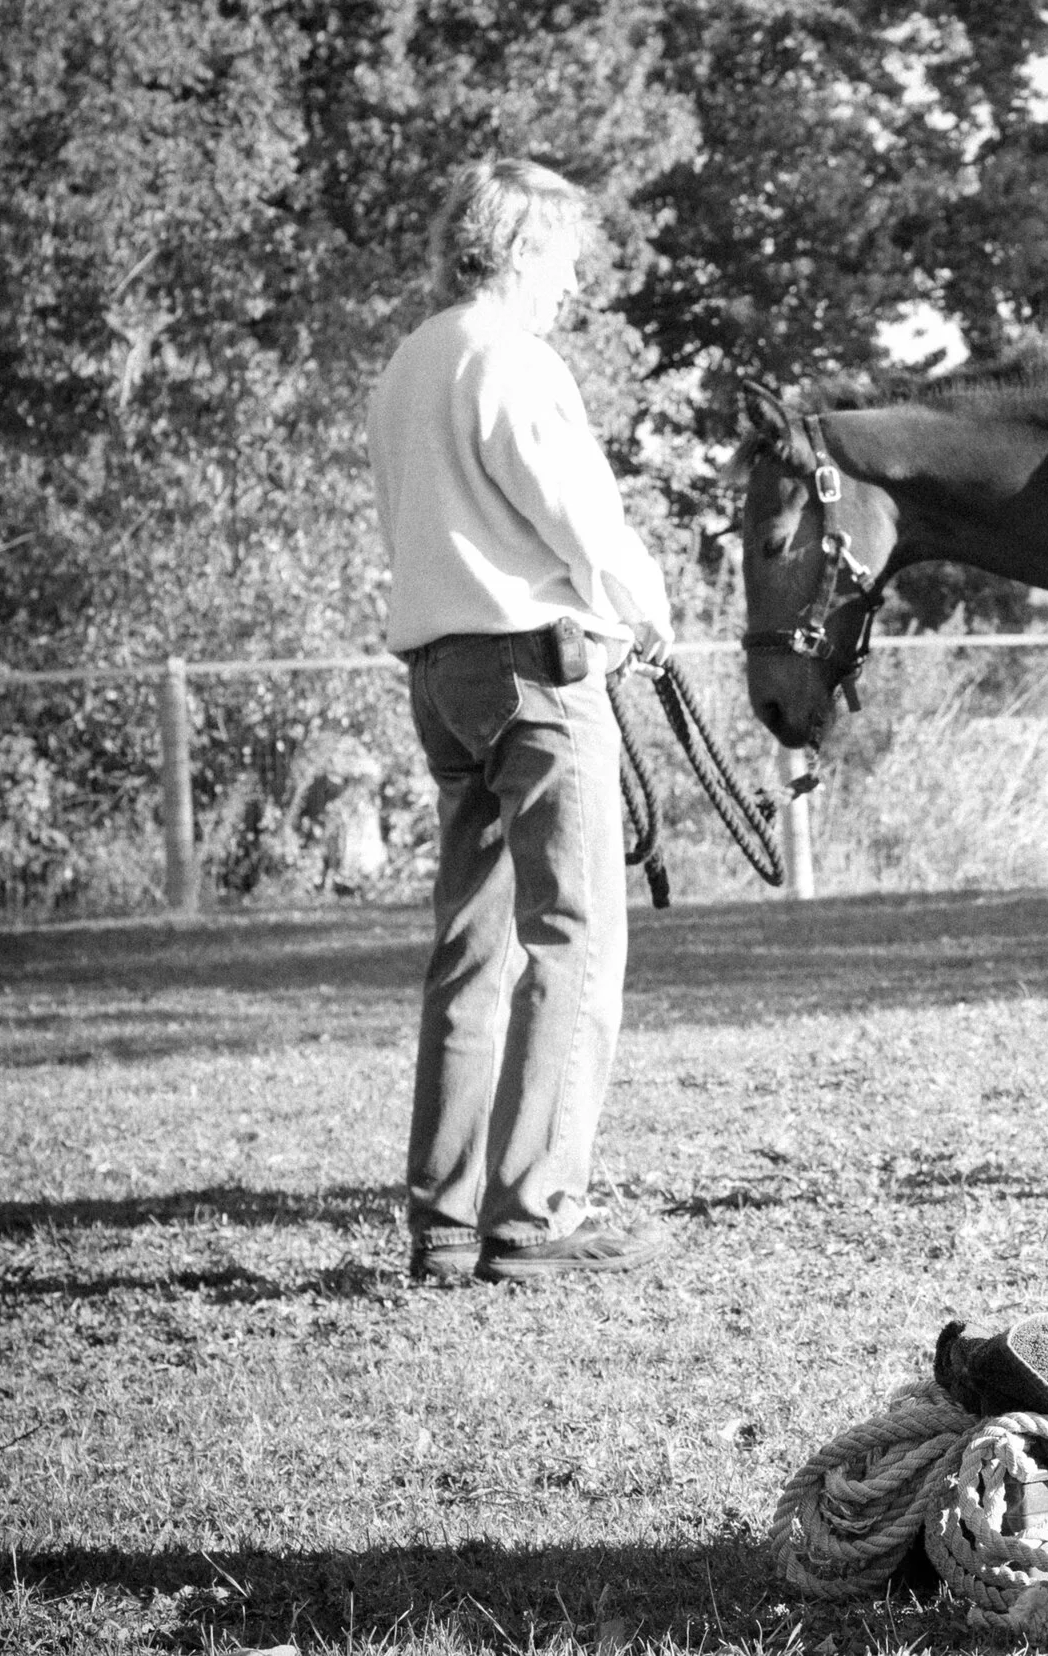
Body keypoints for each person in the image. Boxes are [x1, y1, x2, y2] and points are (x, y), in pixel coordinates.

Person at [368, 157, 674, 1287]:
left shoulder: (409, 364)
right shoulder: (511, 357)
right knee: (574, 939)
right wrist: (647, 611)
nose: (571, 285)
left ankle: (445, 1223)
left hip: (441, 673)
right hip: (536, 674)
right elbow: (577, 517)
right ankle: (534, 1216)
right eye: (566, 261)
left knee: (471, 949)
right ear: (524, 248)